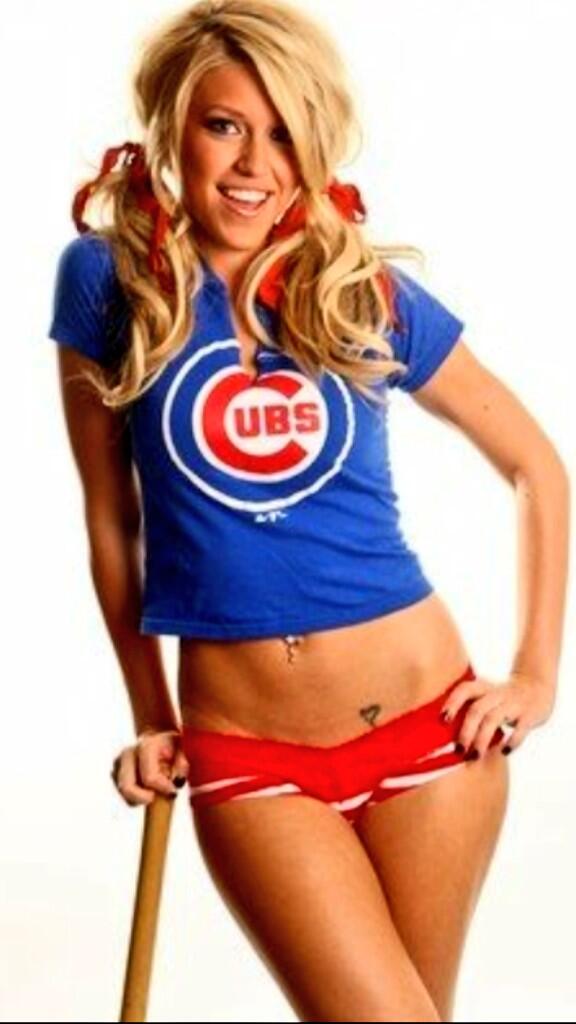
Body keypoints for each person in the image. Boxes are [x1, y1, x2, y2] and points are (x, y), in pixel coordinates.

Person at [47, 1, 569, 1021]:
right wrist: (150, 714)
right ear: (173, 127)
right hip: (249, 754)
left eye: (285, 134)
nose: (255, 164)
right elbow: (112, 521)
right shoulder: (112, 282)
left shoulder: (357, 289)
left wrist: (537, 676)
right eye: (225, 125)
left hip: (432, 733)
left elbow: (535, 466)